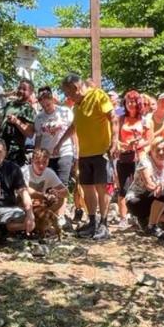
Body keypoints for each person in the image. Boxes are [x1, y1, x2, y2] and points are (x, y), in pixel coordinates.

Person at [50, 74, 113, 240]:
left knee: (102, 188)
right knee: (87, 188)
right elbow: (74, 126)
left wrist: (115, 142)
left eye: (68, 92)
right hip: (84, 154)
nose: (67, 96)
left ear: (76, 88)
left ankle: (104, 224)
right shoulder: (77, 106)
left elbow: (113, 117)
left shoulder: (98, 96)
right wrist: (59, 143)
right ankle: (92, 222)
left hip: (101, 152)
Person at [126, 137, 164, 237]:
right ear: (152, 151)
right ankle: (152, 227)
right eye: (158, 150)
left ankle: (146, 220)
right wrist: (163, 186)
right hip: (137, 200)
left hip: (157, 201)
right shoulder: (145, 162)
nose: (161, 152)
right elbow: (149, 185)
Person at [115, 90, 152, 225]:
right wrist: (123, 145)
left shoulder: (144, 119)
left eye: (134, 101)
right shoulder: (120, 117)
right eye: (128, 101)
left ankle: (138, 216)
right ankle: (123, 218)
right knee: (124, 188)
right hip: (124, 157)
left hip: (140, 157)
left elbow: (149, 139)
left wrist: (137, 144)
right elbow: (115, 138)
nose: (131, 104)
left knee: (139, 188)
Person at [34, 86, 75, 191]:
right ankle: (50, 207)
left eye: (48, 104)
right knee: (48, 186)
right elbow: (38, 138)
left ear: (53, 99)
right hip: (47, 155)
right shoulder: (39, 118)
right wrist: (36, 155)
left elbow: (73, 132)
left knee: (61, 185)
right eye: (43, 106)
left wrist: (77, 152)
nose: (46, 107)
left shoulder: (65, 112)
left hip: (64, 152)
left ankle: (61, 207)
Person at [22, 147, 68, 237]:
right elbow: (25, 190)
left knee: (59, 199)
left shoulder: (49, 172)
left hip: (40, 204)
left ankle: (45, 223)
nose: (41, 166)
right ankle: (38, 226)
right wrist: (43, 196)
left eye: (44, 162)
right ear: (32, 161)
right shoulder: (25, 170)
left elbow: (65, 191)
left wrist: (56, 193)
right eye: (38, 162)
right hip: (24, 203)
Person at [0, 79, 37, 166]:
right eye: (19, 88)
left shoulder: (29, 109)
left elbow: (30, 133)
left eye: (24, 89)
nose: (20, 91)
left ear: (31, 92)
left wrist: (16, 121)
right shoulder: (9, 104)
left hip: (15, 152)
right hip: (0, 148)